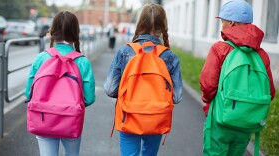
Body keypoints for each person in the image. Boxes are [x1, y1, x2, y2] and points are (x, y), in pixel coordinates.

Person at [104, 3, 183, 156]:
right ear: (162, 27)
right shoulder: (170, 57)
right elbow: (177, 97)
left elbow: (109, 89)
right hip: (156, 116)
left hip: (129, 114)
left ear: (139, 24)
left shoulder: (124, 51)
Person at [200, 0, 276, 155]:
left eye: (223, 21)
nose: (221, 25)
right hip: (247, 122)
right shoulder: (261, 55)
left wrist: (209, 104)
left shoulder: (219, 49)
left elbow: (208, 86)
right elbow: (270, 92)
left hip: (220, 119)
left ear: (231, 23)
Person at [24, 11, 95, 156]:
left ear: (52, 32)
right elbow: (89, 98)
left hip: (43, 118)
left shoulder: (41, 58)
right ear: (76, 32)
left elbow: (28, 93)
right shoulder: (82, 61)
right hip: (71, 120)